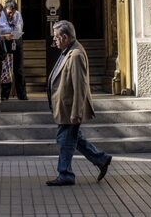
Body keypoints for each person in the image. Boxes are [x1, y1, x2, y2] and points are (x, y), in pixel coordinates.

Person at [45, 20, 112, 186]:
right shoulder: (68, 51)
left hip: (70, 108)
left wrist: (76, 112)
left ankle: (65, 174)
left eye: (56, 37)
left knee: (64, 140)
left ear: (65, 37)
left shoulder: (75, 55)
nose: (54, 40)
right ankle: (101, 159)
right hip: (65, 107)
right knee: (74, 139)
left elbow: (80, 86)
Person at [0, 0, 27, 100]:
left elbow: (19, 28)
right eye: (10, 12)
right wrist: (10, 29)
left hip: (16, 41)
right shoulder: (1, 15)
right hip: (6, 42)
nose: (11, 14)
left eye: (13, 12)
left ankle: (22, 94)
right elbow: (1, 28)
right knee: (6, 68)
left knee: (19, 68)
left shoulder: (17, 14)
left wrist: (10, 30)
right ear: (5, 9)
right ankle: (4, 94)